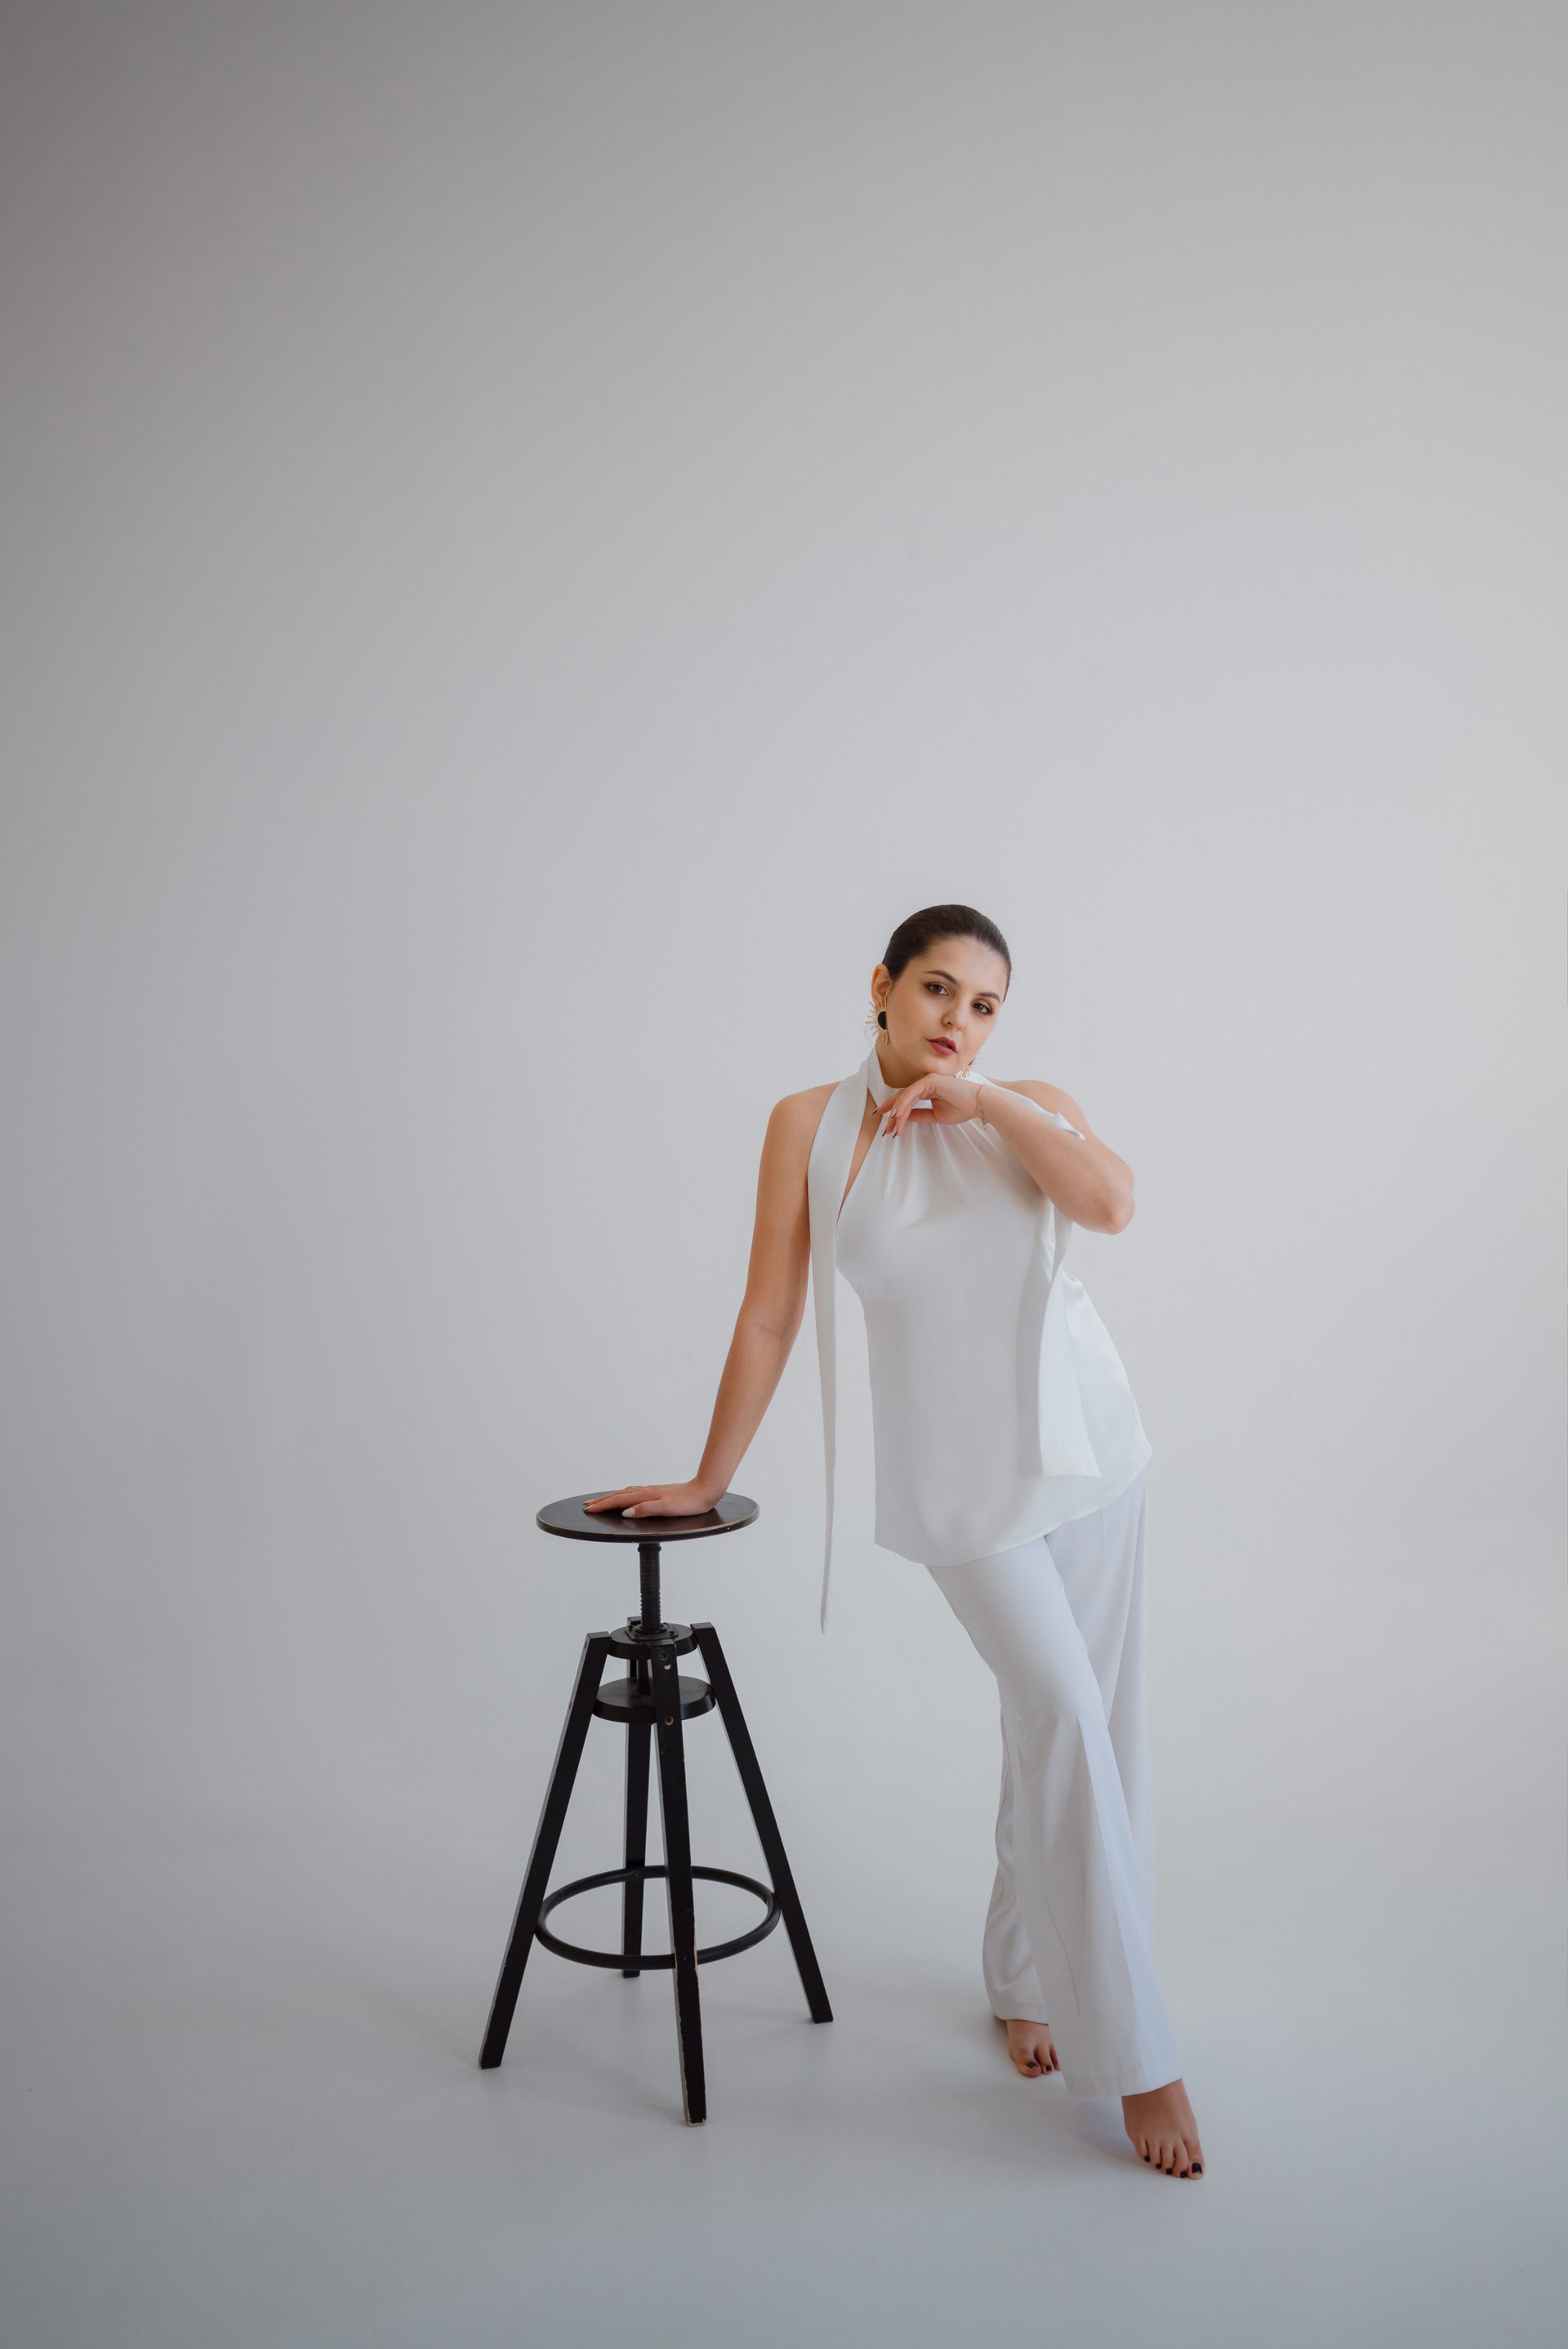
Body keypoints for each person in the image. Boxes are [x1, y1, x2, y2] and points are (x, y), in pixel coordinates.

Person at [587, 903, 1204, 2180]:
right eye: (937, 990)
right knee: (1061, 1713)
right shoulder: (807, 1127)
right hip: (956, 1488)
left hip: (1091, 1461)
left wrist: (993, 1107)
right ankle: (1141, 2058)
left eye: (983, 1006)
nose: (956, 1021)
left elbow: (1113, 1203)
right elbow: (770, 1315)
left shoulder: (1024, 1104)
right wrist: (708, 1477)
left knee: (1079, 1727)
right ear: (881, 985)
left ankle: (1023, 1976)